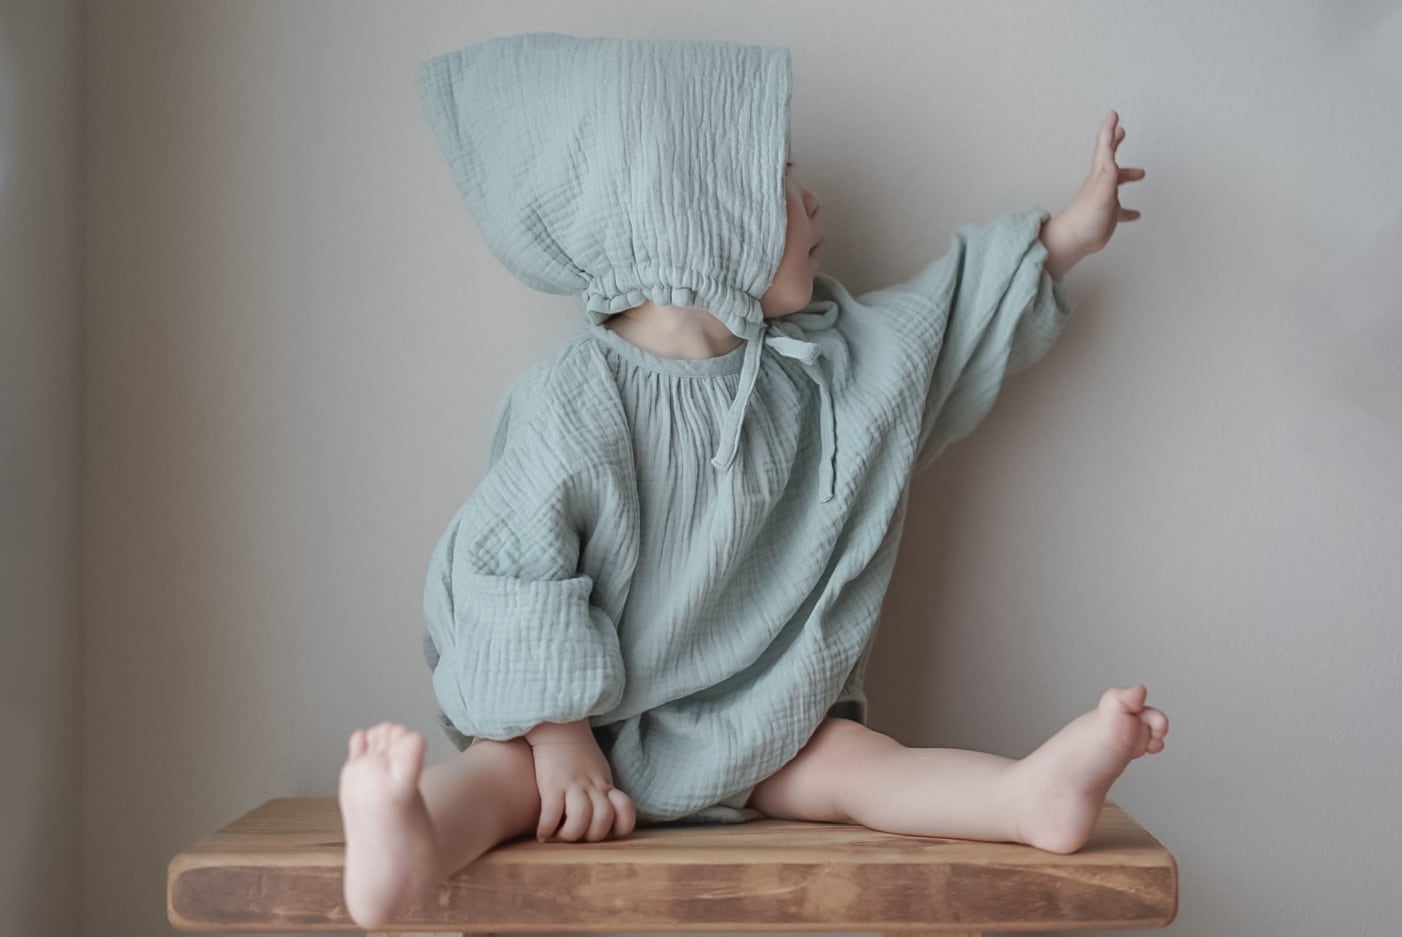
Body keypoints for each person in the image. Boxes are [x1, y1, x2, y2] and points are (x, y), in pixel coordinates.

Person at [337, 32, 1167, 930]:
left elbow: (938, 332)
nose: (811, 199)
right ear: (696, 211)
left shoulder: (819, 369)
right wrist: (563, 737)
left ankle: (1023, 797)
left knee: (857, 765)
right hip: (584, 743)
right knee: (499, 775)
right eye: (780, 176)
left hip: (754, 725)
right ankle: (411, 839)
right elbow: (507, 569)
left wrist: (1062, 240)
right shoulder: (576, 402)